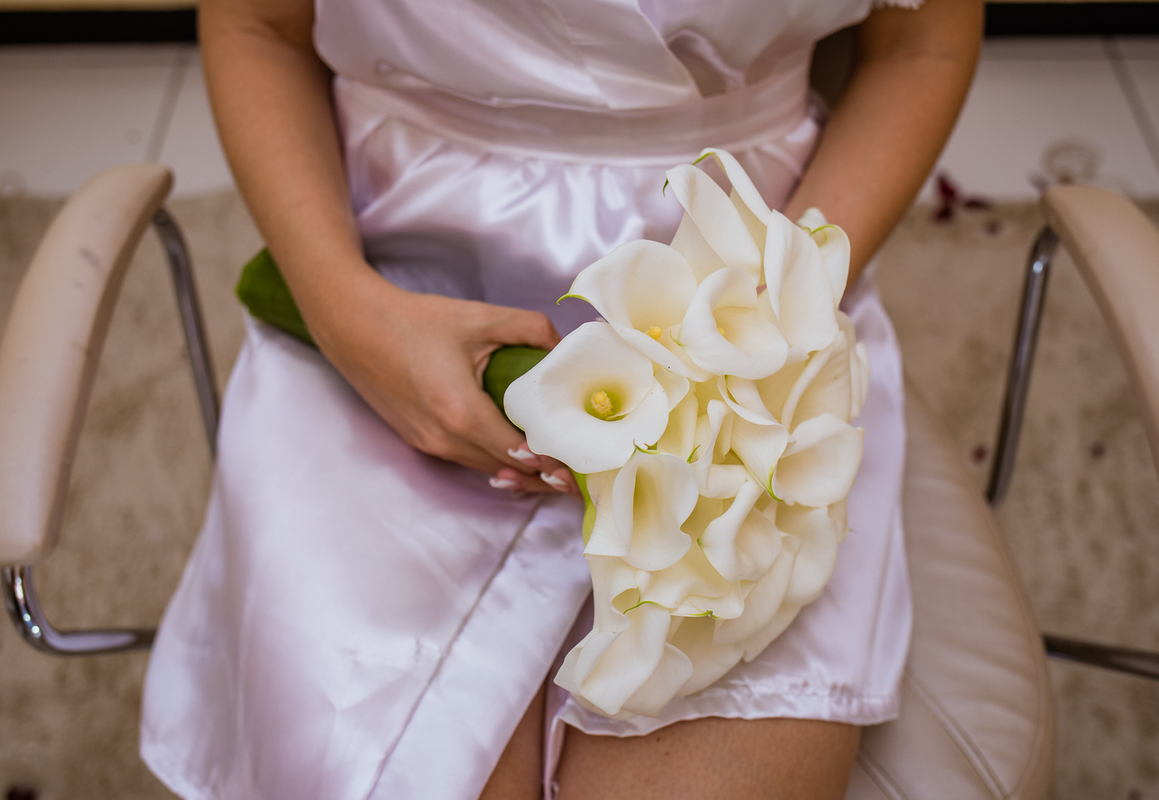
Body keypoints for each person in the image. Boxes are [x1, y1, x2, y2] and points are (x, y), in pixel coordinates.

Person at [139, 1, 982, 798]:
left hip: (739, 302)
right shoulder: (368, 311)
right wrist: (345, 313)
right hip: (398, 278)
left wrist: (770, 317)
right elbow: (259, 23)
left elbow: (920, 45)